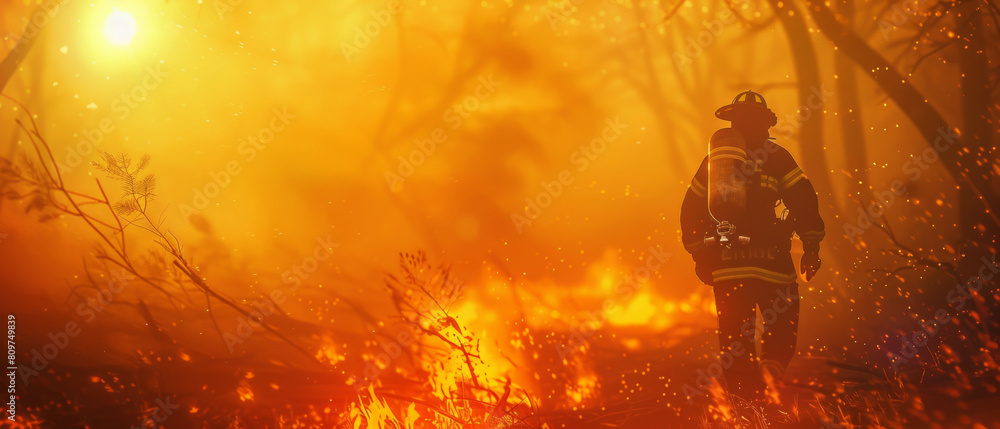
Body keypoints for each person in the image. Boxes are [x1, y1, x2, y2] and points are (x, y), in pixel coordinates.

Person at [680, 90, 824, 404]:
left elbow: (691, 208)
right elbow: (803, 201)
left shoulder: (714, 161)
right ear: (767, 123)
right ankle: (771, 389)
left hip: (729, 265)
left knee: (734, 340)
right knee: (781, 330)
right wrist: (811, 244)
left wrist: (701, 254)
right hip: (773, 263)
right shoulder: (776, 156)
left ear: (732, 122)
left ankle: (746, 405)